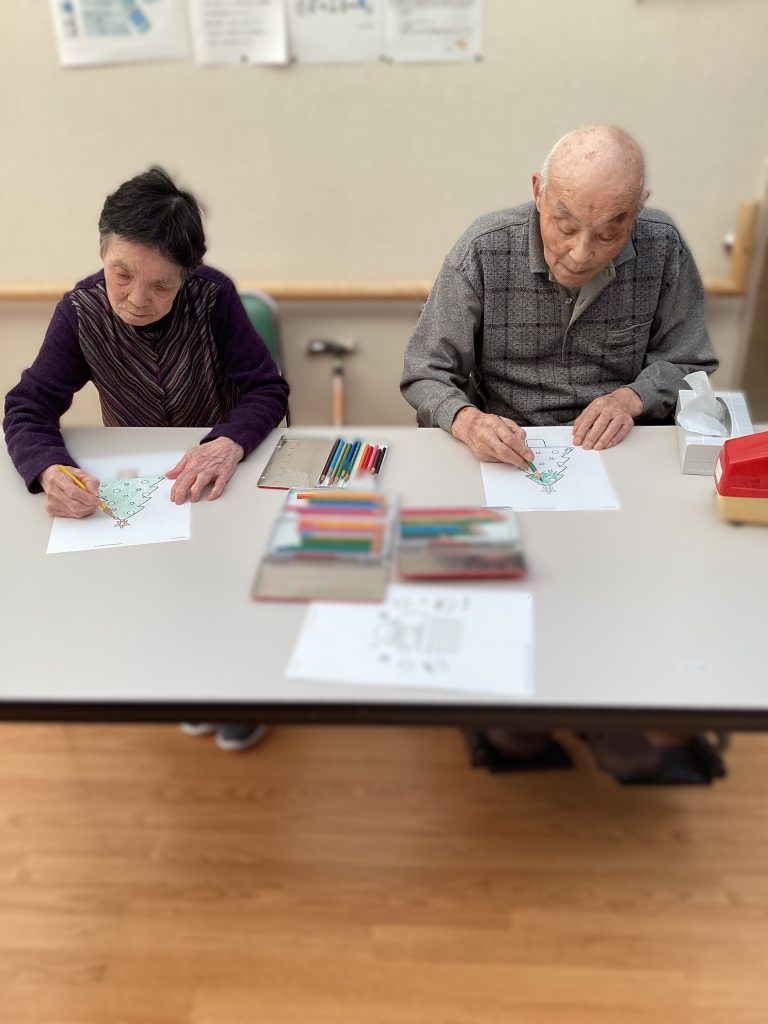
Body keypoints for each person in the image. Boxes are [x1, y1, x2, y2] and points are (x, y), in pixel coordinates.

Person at [401, 125, 725, 783]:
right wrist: (466, 420)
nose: (582, 253)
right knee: (523, 596)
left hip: (620, 459)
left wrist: (634, 396)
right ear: (537, 193)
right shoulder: (485, 248)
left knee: (617, 592)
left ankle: (602, 708)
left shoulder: (662, 246)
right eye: (565, 225)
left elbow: (690, 359)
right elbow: (424, 372)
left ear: (638, 210)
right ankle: (519, 707)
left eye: (610, 232)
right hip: (506, 456)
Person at [4, 166, 289, 752]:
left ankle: (238, 692)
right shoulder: (81, 311)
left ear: (187, 274)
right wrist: (48, 468)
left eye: (162, 285)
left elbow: (267, 389)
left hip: (218, 476)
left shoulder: (213, 297)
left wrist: (229, 441)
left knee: (226, 587)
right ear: (102, 252)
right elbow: (28, 405)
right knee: (161, 593)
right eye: (123, 274)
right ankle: (188, 685)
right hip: (142, 482)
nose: (137, 299)